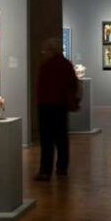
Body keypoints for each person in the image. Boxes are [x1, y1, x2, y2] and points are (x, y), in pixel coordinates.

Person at [35, 37, 80, 181]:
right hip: (61, 106)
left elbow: (42, 87)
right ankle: (62, 168)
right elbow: (73, 84)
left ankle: (45, 171)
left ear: (50, 50)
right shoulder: (66, 64)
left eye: (45, 50)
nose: (43, 53)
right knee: (61, 139)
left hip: (46, 106)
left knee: (47, 140)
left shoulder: (46, 65)